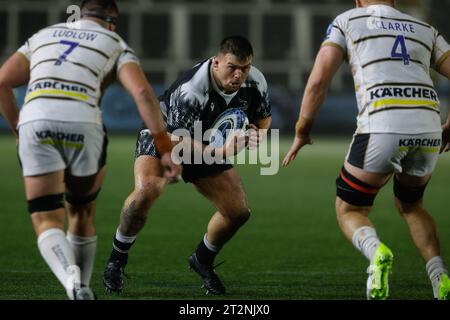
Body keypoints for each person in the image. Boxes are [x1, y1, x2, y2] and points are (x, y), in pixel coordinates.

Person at [0, 0, 180, 300]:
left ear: (79, 16)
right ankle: (81, 285)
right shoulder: (114, 42)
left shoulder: (45, 34)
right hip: (83, 123)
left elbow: (3, 80)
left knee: (45, 216)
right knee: (82, 210)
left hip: (37, 120)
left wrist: (18, 125)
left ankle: (72, 283)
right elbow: (142, 93)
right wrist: (163, 147)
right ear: (112, 22)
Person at [282, 0, 450, 300]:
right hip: (429, 127)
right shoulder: (425, 29)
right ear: (395, 1)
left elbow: (318, 81)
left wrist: (301, 131)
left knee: (350, 208)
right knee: (412, 206)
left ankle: (377, 254)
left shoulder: (347, 20)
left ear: (359, 1)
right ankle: (440, 277)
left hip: (382, 125)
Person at [103, 35, 272, 295]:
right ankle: (117, 259)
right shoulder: (192, 89)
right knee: (146, 190)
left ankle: (202, 259)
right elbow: (175, 140)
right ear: (216, 63)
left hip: (205, 140)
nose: (239, 75)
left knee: (238, 212)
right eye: (232, 67)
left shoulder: (256, 81)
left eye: (245, 67)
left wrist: (256, 136)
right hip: (164, 133)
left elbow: (263, 120)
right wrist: (220, 150)